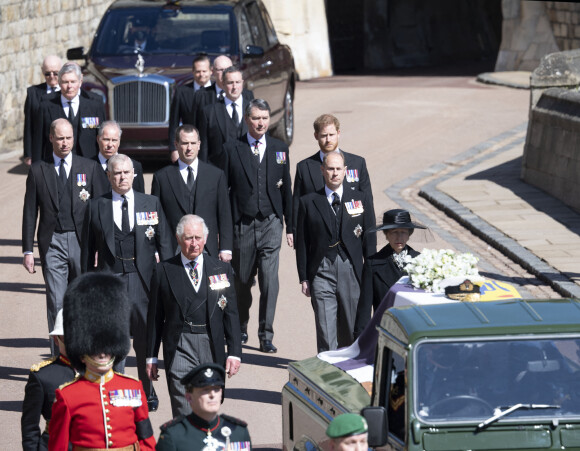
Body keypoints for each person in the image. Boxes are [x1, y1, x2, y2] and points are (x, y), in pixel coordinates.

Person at [81, 153, 173, 411]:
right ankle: (116, 389)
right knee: (115, 340)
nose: (122, 177)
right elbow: (88, 252)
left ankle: (147, 390)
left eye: (126, 172)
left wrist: (168, 282)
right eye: (116, 173)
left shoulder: (151, 203)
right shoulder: (96, 206)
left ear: (135, 174)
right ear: (108, 176)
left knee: (145, 339)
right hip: (110, 284)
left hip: (143, 282)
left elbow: (164, 244)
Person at [22, 118, 109, 356]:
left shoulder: (89, 167)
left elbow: (102, 209)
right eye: (59, 138)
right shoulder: (39, 169)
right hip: (53, 243)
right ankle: (59, 359)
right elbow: (30, 210)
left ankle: (85, 355)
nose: (64, 143)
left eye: (68, 138)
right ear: (51, 138)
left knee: (83, 300)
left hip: (84, 243)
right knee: (56, 301)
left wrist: (102, 245)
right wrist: (27, 250)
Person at [146, 215, 242, 417]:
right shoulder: (164, 271)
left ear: (206, 239)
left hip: (211, 345)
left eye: (198, 237)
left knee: (207, 409)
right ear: (178, 239)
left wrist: (234, 352)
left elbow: (231, 313)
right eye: (189, 238)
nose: (194, 243)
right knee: (184, 410)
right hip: (180, 344)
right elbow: (155, 318)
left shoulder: (221, 269)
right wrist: (151, 356)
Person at [48, 273, 156, 450]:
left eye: (107, 346)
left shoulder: (133, 388)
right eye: (95, 347)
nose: (103, 353)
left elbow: (146, 439)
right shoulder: (68, 396)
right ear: (82, 352)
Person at [223, 99, 293, 353]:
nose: (261, 122)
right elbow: (224, 191)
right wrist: (224, 229)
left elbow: (287, 189)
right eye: (256, 118)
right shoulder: (232, 148)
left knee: (269, 280)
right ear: (247, 120)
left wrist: (290, 225)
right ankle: (241, 325)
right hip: (243, 224)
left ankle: (266, 334)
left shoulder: (279, 148)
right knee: (241, 281)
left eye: (265, 118)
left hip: (271, 222)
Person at [295, 151, 376, 352]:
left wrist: (370, 274)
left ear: (345, 171)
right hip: (321, 271)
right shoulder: (309, 201)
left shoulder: (360, 199)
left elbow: (369, 238)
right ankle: (326, 377)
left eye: (338, 169)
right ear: (322, 170)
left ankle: (349, 372)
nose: (334, 173)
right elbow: (303, 242)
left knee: (351, 329)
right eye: (330, 169)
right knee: (325, 329)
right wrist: (304, 277)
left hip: (350, 269)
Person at [152, 124, 233, 257]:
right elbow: (155, 217)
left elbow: (224, 214)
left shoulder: (216, 176)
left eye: (193, 143)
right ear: (176, 144)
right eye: (184, 143)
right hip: (172, 250)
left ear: (199, 144)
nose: (189, 148)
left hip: (207, 248)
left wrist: (225, 248)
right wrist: (155, 249)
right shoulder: (161, 177)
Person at [292, 114, 373, 235]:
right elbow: (297, 204)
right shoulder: (304, 167)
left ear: (338, 133)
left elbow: (367, 202)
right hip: (317, 236)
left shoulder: (357, 163)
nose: (328, 139)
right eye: (324, 135)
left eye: (331, 135)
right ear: (316, 136)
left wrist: (370, 235)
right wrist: (293, 232)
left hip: (351, 234)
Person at [354, 209, 426, 337]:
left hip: (415, 330)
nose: (399, 237)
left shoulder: (420, 261)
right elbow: (364, 309)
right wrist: (360, 340)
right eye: (394, 232)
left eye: (403, 232)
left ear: (409, 234)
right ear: (386, 234)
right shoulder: (373, 264)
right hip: (386, 332)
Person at [156, 363, 251, 450]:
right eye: (205, 390)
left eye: (216, 389)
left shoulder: (238, 432)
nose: (212, 395)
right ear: (189, 397)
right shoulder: (173, 435)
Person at [21, 310, 76, 451]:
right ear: (56, 340)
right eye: (67, 337)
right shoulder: (43, 376)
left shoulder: (100, 373)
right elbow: (30, 426)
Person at [33, 62, 106, 162]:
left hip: (87, 164)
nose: (69, 86)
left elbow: (102, 138)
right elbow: (38, 142)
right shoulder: (46, 107)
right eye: (65, 82)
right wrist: (37, 170)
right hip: (55, 165)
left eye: (73, 81)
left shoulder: (94, 107)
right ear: (59, 83)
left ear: (80, 82)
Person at [199, 66, 253, 168]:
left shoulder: (254, 109)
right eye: (230, 83)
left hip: (248, 171)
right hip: (219, 172)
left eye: (237, 82)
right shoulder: (209, 112)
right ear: (223, 84)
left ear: (242, 83)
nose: (234, 87)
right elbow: (203, 148)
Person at [168, 54, 213, 159]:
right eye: (198, 71)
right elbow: (174, 122)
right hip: (188, 148)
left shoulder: (217, 92)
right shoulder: (181, 92)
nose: (201, 74)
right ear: (192, 72)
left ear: (211, 71)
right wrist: (173, 149)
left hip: (213, 149)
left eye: (204, 71)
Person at [23, 55, 63, 165]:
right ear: (42, 71)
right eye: (47, 73)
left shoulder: (68, 93)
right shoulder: (33, 93)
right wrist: (28, 154)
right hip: (42, 151)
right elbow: (29, 125)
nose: (51, 76)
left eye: (55, 73)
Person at [94, 120, 145, 193]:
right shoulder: (87, 166)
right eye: (106, 140)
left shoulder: (135, 166)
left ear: (119, 142)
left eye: (114, 140)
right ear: (98, 139)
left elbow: (140, 198)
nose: (110, 145)